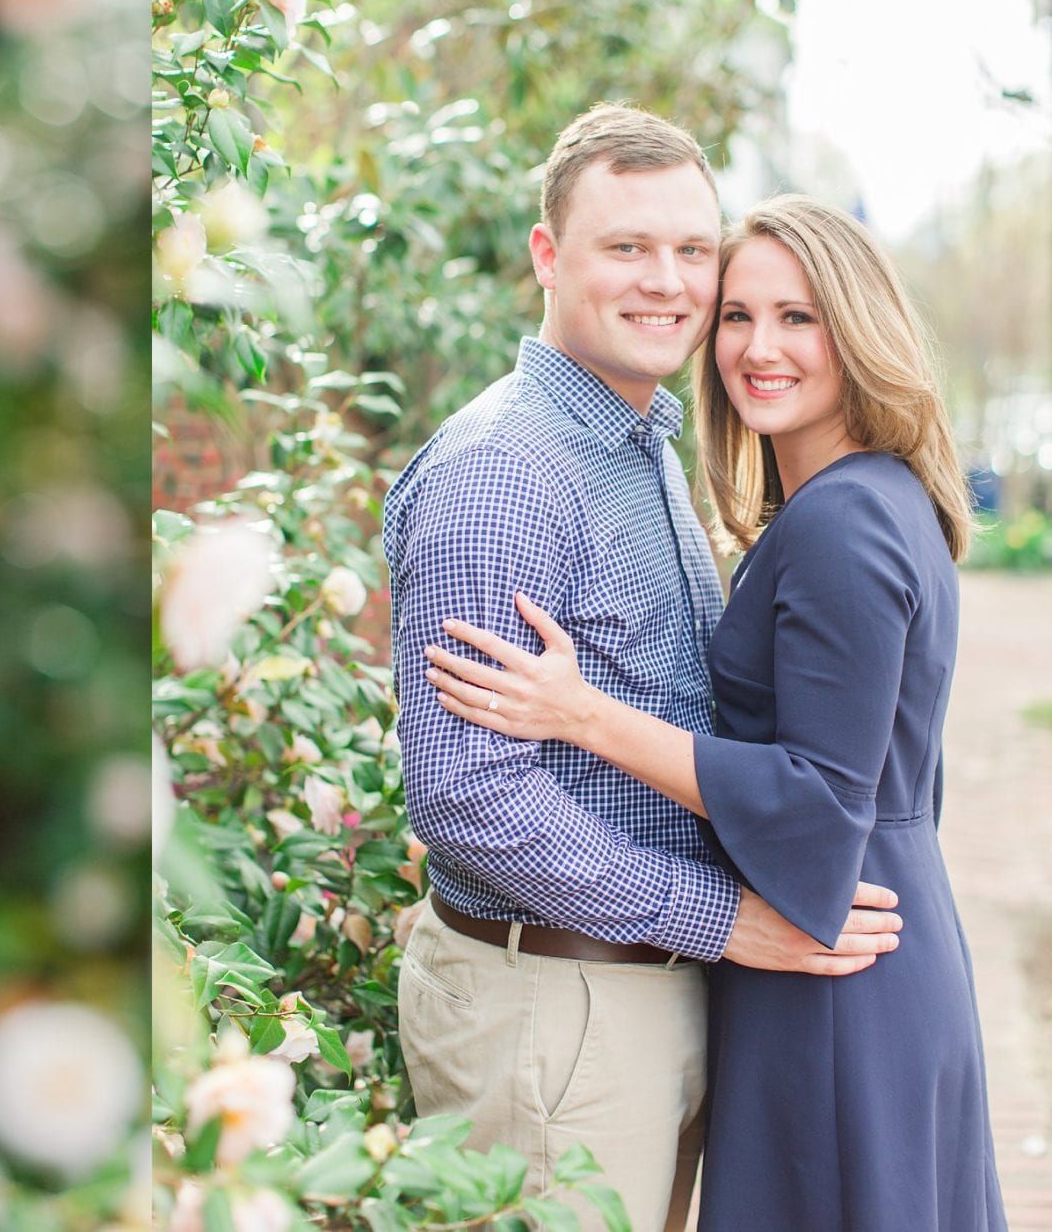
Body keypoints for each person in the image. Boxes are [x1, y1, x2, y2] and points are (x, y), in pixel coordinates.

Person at [423, 195, 1006, 1230]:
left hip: (828, 961)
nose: (757, 347)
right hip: (853, 934)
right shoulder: (870, 498)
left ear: (858, 330)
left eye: (798, 317)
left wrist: (583, 715)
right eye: (737, 315)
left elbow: (820, 798)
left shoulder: (842, 523)